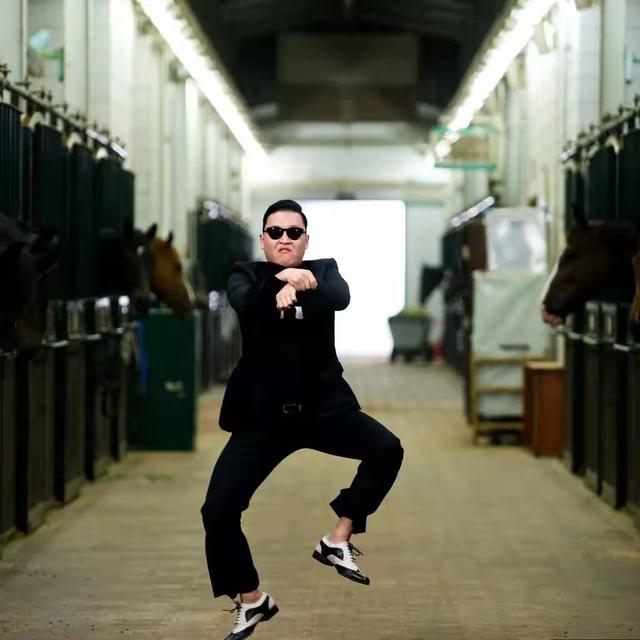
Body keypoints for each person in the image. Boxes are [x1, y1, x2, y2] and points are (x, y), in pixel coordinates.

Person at [200, 199, 404, 640]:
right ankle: (252, 599)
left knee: (387, 449)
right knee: (217, 510)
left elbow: (340, 298)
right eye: (276, 232)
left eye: (294, 233)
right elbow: (247, 304)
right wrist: (281, 278)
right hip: (263, 419)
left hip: (322, 411)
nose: (285, 239)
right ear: (263, 239)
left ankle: (338, 538)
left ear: (306, 240)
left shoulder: (324, 271)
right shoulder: (244, 274)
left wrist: (301, 281)